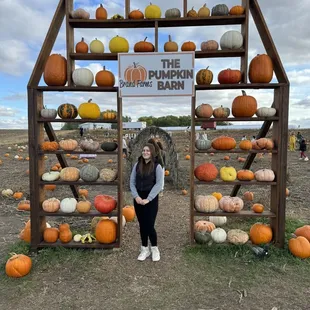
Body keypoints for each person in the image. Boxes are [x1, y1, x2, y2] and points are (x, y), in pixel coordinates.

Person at [130, 143, 164, 262]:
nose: (145, 152)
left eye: (148, 151)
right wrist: (136, 196)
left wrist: (148, 198)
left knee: (149, 225)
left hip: (151, 199)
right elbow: (132, 182)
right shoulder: (137, 165)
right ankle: (144, 249)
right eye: (144, 150)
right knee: (142, 225)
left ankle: (154, 248)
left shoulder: (157, 166)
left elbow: (159, 184)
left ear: (152, 152)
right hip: (138, 199)